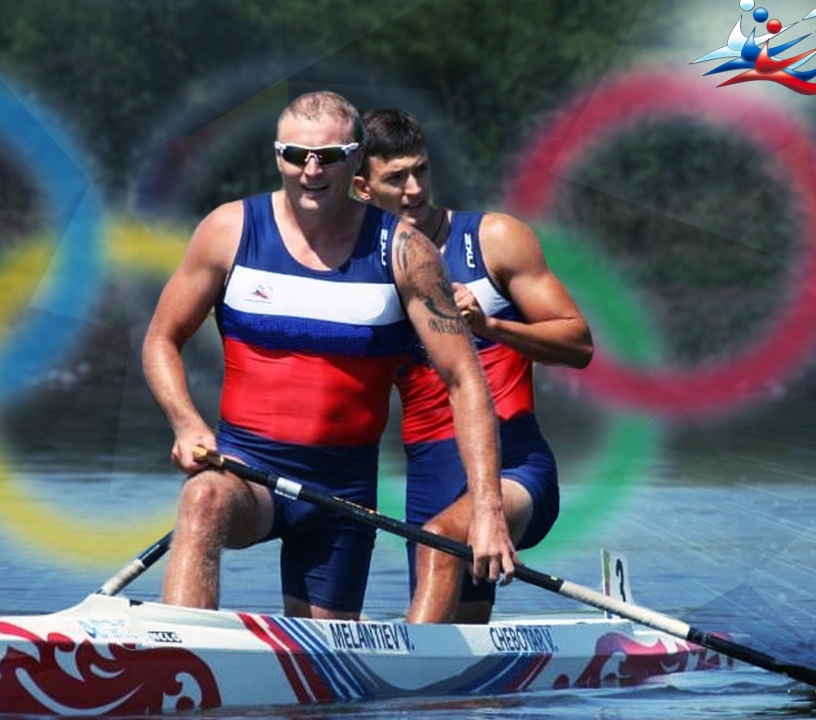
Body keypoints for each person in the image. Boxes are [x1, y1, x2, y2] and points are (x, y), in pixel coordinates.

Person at [142, 92, 516, 621]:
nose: (310, 170)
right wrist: (186, 425)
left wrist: (487, 510)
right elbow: (160, 339)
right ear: (278, 157)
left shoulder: (405, 251)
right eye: (296, 155)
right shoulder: (229, 231)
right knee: (202, 499)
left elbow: (465, 380)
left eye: (329, 156)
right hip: (249, 470)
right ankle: (178, 654)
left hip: (343, 492)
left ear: (357, 158)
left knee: (319, 684)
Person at [353, 109, 593, 624]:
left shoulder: (494, 240)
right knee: (458, 635)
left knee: (440, 541)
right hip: (431, 472)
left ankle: (405, 685)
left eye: (420, 171)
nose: (414, 189)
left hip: (514, 464)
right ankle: (459, 703)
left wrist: (490, 327)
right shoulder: (356, 266)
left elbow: (579, 343)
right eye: (395, 178)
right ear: (364, 189)